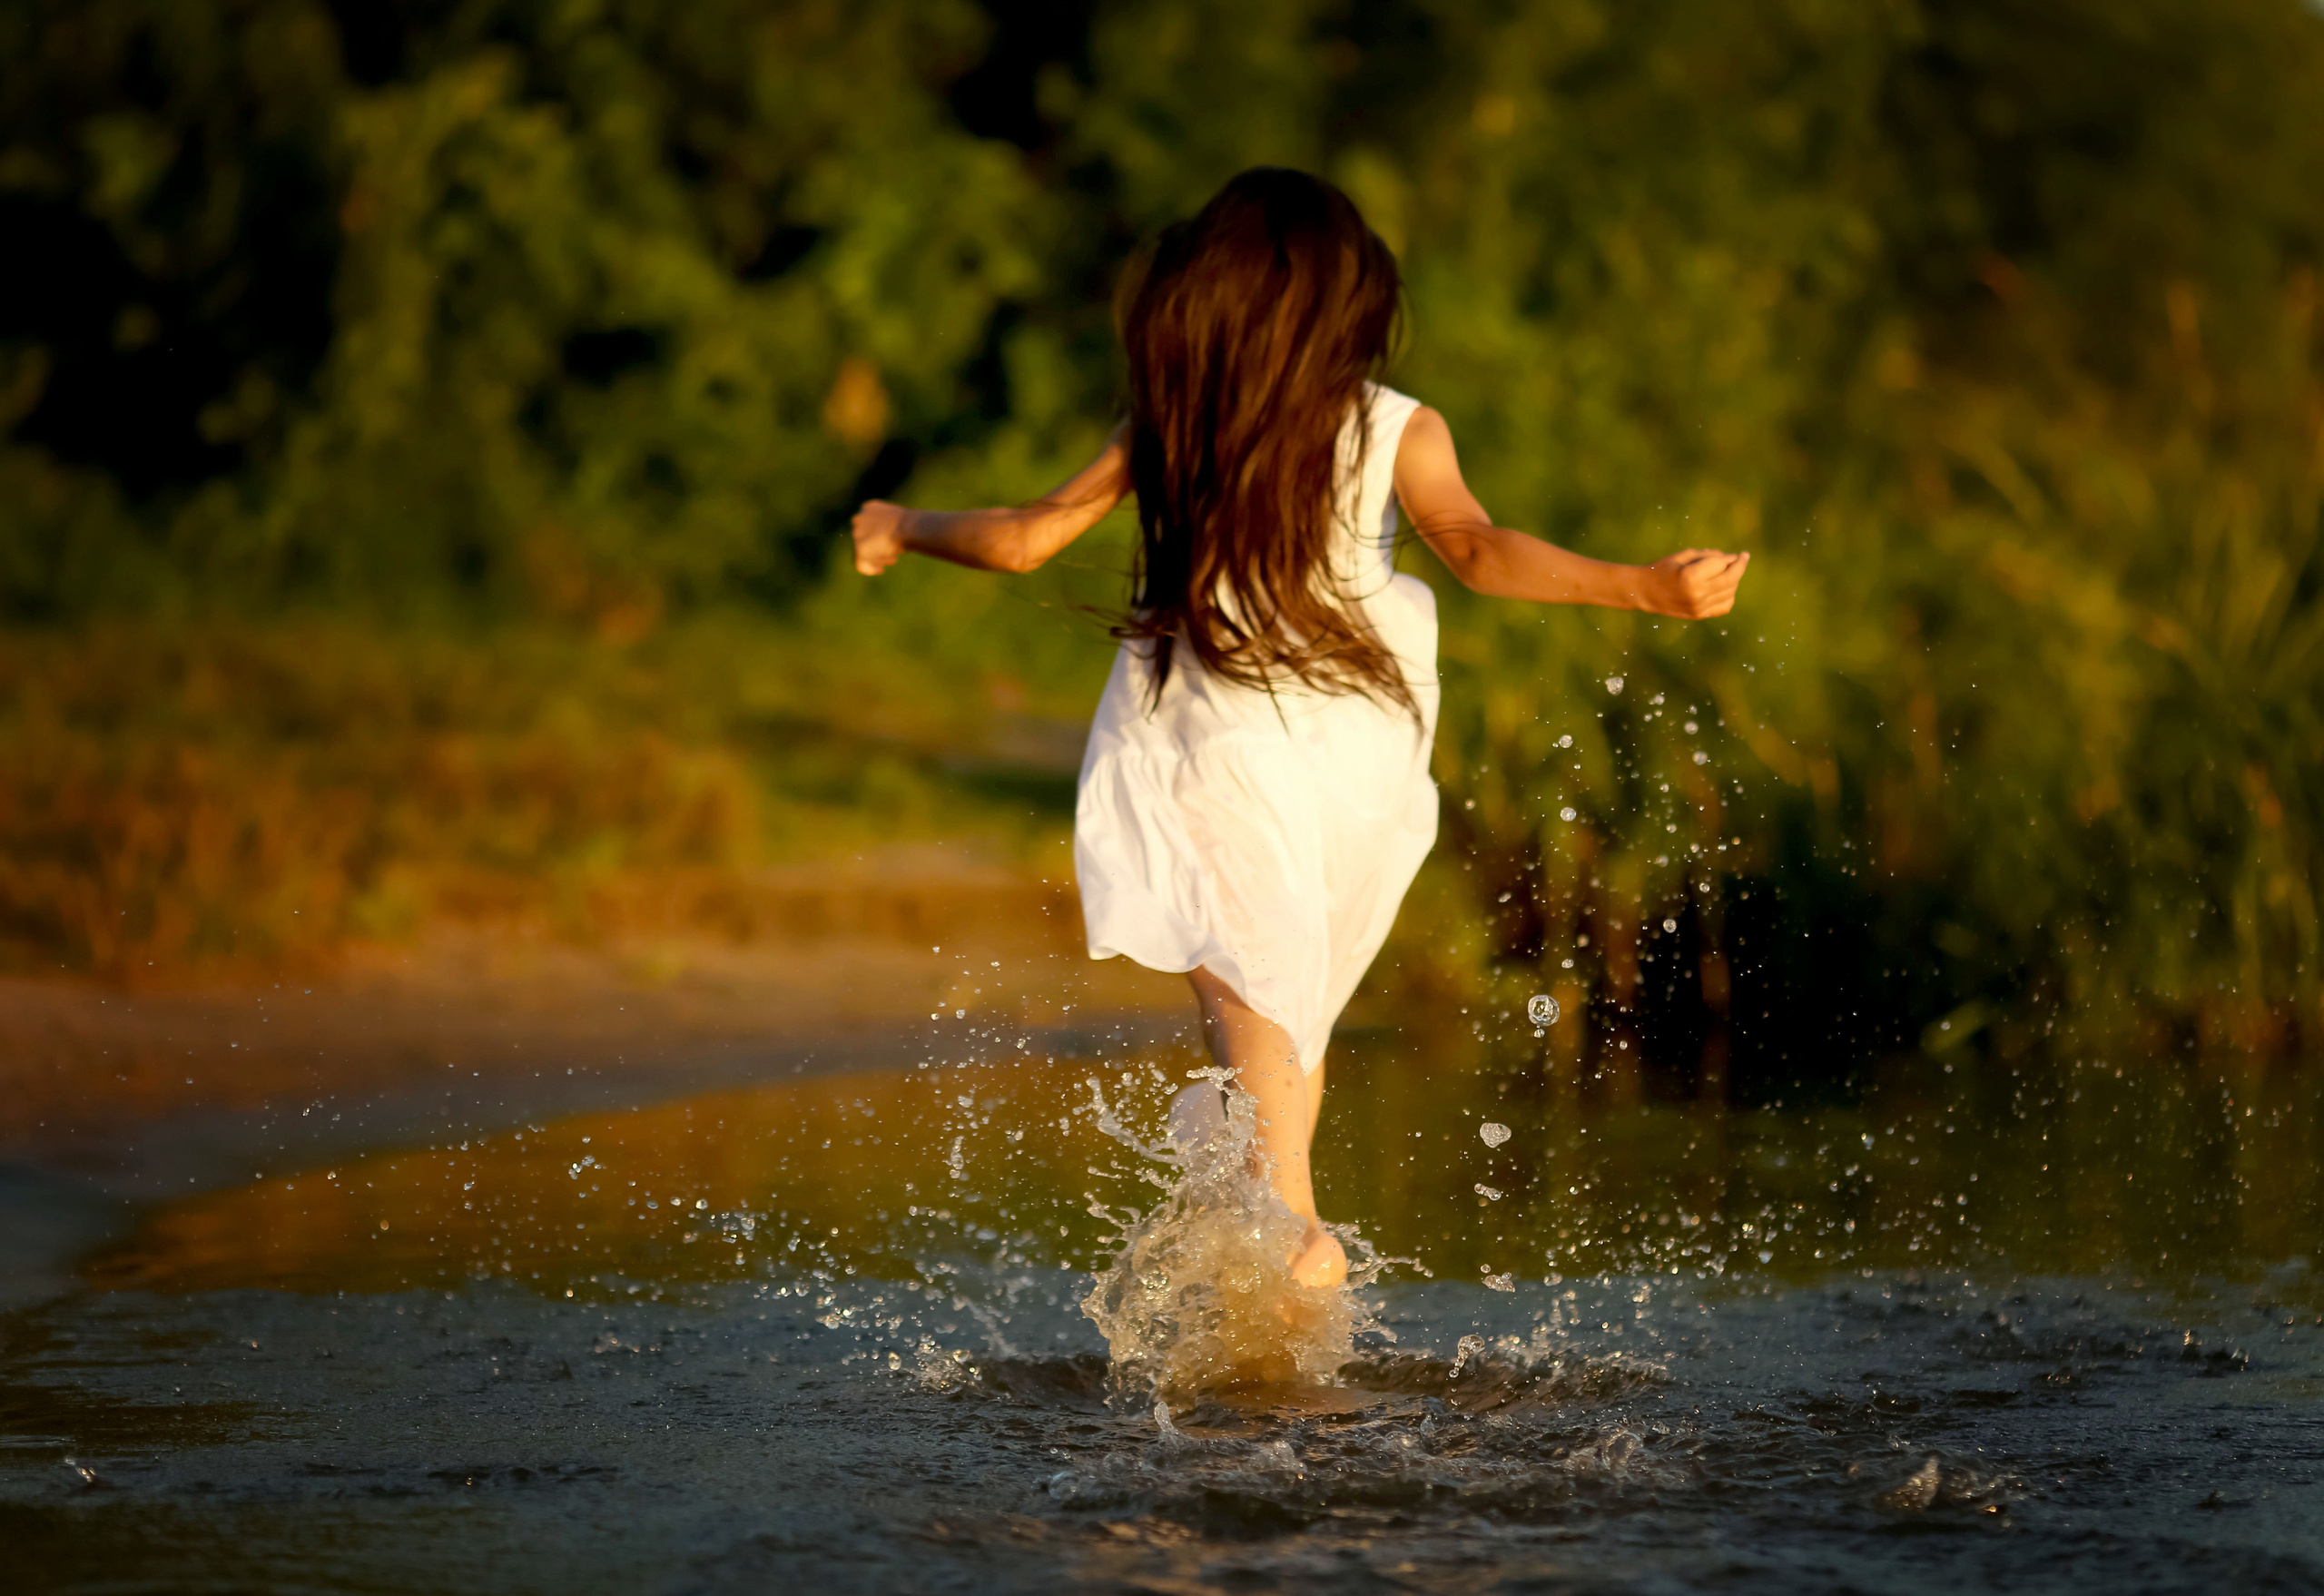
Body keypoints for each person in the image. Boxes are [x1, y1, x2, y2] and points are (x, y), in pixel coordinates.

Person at [851, 168, 1747, 1291]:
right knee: (1291, 1016)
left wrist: (901, 523)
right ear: (1350, 302)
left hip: (1218, 731)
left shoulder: (1174, 420)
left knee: (1248, 997)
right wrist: (1640, 588)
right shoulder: (1399, 426)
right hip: (1359, 742)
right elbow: (1477, 549)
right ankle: (1285, 1294)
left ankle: (1291, 1236)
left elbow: (1027, 539)